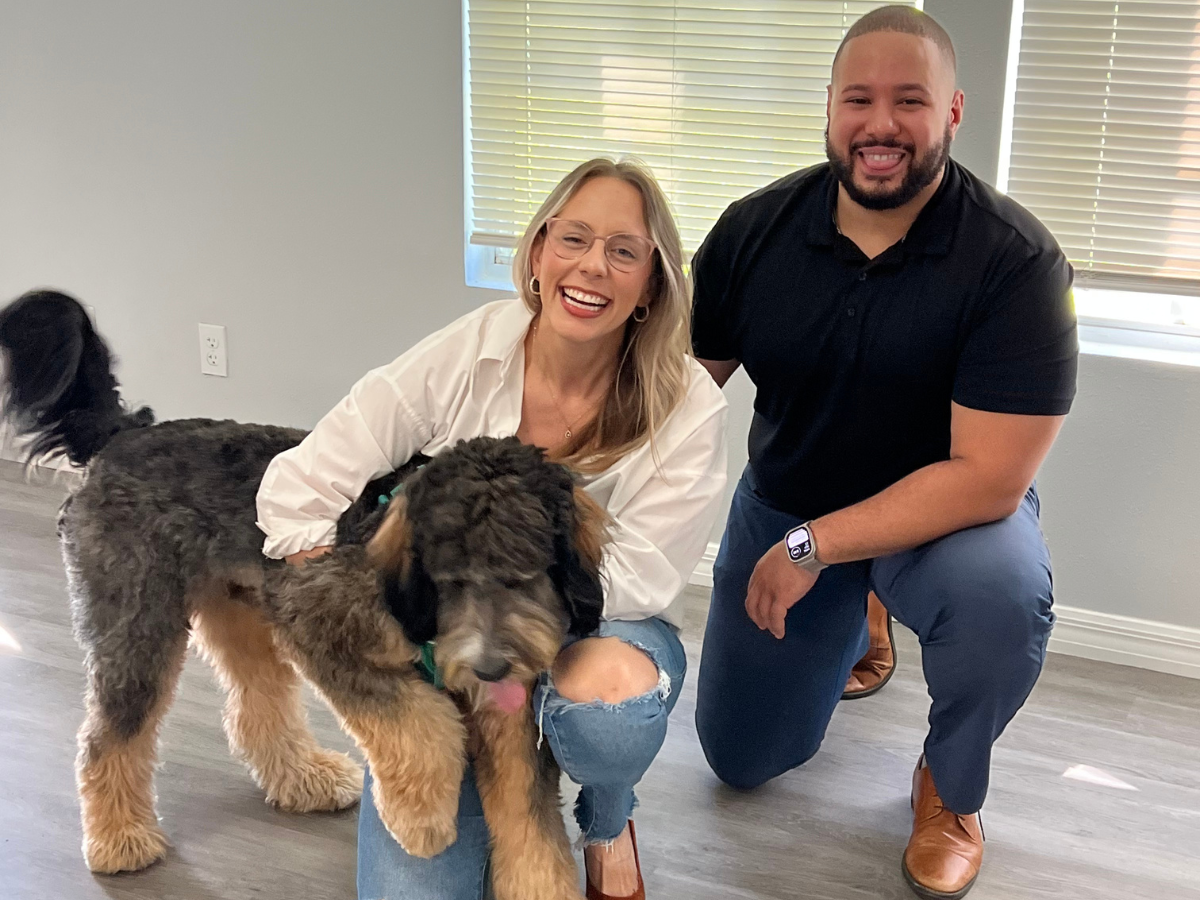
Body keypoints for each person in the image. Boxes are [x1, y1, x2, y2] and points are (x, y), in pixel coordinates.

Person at [255, 157, 728, 900]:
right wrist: (329, 575)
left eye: (624, 251)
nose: (592, 267)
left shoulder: (689, 404)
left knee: (609, 721)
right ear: (539, 254)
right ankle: (484, 766)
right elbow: (302, 479)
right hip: (456, 640)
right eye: (572, 238)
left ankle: (607, 815)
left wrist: (518, 613)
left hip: (603, 632)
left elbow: (643, 577)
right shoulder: (470, 349)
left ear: (651, 287)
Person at [690, 7, 1077, 899]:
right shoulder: (752, 233)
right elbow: (673, 398)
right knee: (743, 762)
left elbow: (989, 476)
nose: (881, 124)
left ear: (951, 113)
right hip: (792, 494)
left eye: (910, 101)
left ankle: (952, 786)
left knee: (998, 602)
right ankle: (858, 620)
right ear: (828, 109)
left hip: (948, 523)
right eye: (859, 99)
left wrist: (814, 547)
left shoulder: (1018, 264)